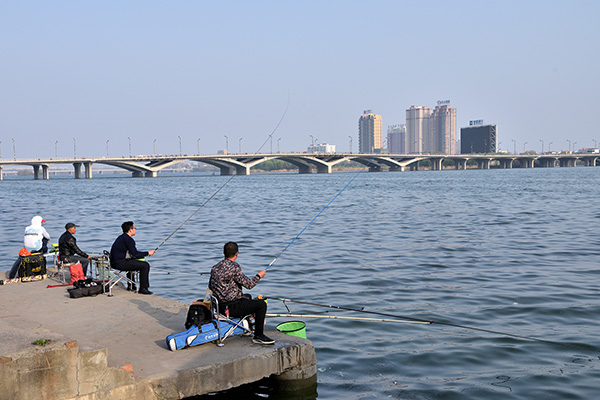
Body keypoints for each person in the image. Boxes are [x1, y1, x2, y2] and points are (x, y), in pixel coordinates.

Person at [208, 241, 274, 345]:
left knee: (247, 297)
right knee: (261, 305)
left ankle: (246, 327)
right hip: (231, 308)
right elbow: (249, 285)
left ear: (224, 253)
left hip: (219, 306)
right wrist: (259, 276)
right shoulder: (234, 267)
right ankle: (259, 336)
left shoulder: (215, 267)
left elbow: (210, 286)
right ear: (237, 254)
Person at [109, 221, 155, 295]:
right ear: (130, 230)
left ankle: (131, 285)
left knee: (132, 262)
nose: (135, 230)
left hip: (114, 262)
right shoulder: (129, 239)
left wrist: (143, 255)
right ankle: (143, 288)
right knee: (145, 265)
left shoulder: (122, 237)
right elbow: (135, 254)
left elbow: (132, 254)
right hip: (119, 263)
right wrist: (148, 253)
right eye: (135, 228)